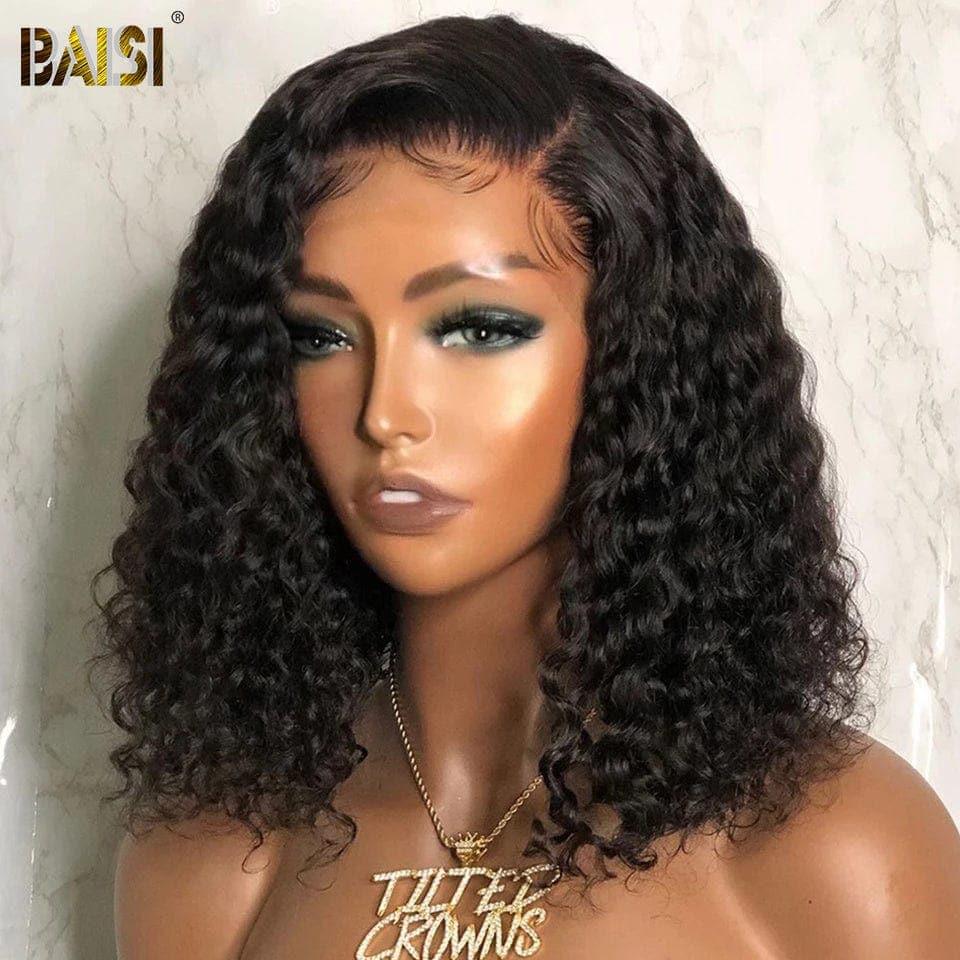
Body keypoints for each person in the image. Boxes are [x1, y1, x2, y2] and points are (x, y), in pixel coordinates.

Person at [91, 13, 960, 959]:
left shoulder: (833, 854)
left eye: (479, 329)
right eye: (321, 336)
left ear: (637, 354)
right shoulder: (216, 858)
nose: (385, 413)